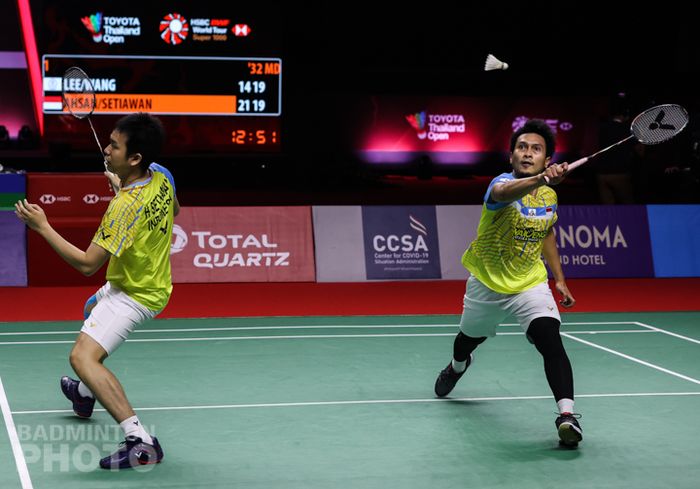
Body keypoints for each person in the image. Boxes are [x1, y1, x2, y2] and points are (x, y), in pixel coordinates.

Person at [15, 112, 179, 469]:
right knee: (92, 310)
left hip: (136, 294)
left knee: (82, 357)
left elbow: (87, 264)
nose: (106, 150)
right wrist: (125, 188)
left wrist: (42, 226)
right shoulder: (163, 175)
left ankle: (141, 441)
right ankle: (86, 393)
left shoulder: (123, 208)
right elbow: (174, 210)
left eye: (115, 147)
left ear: (135, 158)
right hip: (145, 281)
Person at [433, 119, 583, 447]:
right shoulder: (499, 185)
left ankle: (567, 415)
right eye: (522, 147)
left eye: (537, 149)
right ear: (511, 157)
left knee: (549, 338)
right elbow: (503, 194)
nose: (528, 153)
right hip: (487, 283)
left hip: (529, 283)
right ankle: (457, 367)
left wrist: (559, 278)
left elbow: (547, 233)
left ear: (547, 159)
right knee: (467, 341)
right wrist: (541, 178)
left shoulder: (548, 195)